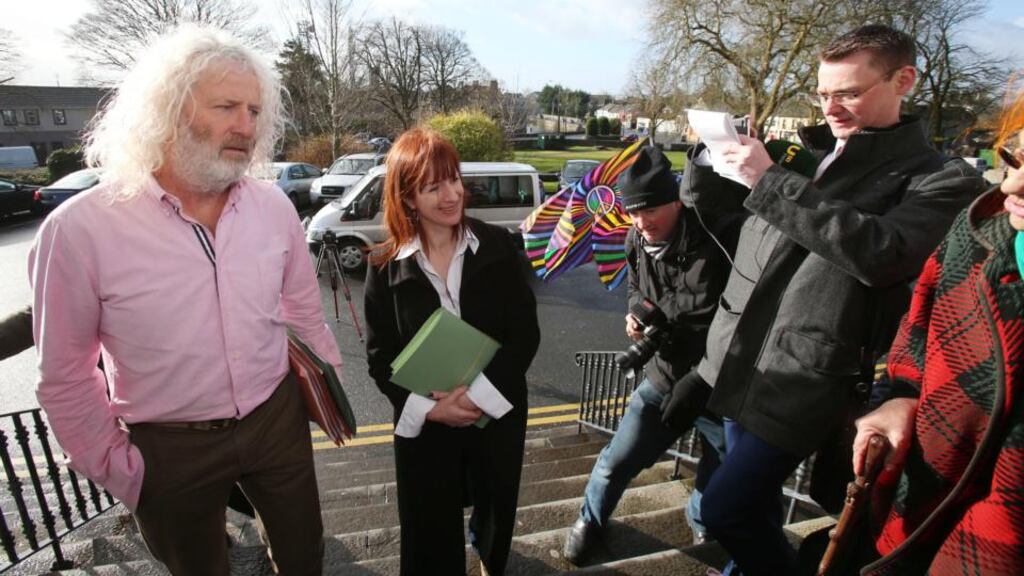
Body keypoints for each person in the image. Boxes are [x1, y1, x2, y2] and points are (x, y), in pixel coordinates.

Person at [28, 25, 340, 576]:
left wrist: (323, 390)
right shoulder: (79, 230)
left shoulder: (273, 209)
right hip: (168, 447)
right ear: (167, 110)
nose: (247, 125)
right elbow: (66, 376)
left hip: (276, 423)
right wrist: (122, 469)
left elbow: (302, 309)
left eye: (254, 110)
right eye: (226, 106)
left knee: (304, 555)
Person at [678, 25, 985, 576]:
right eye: (822, 93)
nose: (831, 106)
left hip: (807, 376)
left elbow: (883, 253)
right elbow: (716, 211)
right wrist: (709, 156)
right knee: (754, 509)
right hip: (737, 357)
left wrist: (770, 181)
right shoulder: (805, 150)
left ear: (904, 80)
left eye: (849, 92)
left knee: (726, 510)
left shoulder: (941, 179)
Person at [850, 91, 1024, 576]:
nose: (1016, 183)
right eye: (1015, 156)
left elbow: (876, 251)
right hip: (916, 513)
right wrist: (900, 398)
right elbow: (918, 331)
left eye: (848, 92)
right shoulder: (976, 232)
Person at [363, 128, 540, 576]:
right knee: (429, 534)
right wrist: (429, 409)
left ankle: (487, 559)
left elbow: (524, 334)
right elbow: (380, 357)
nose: (451, 195)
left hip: (496, 414)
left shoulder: (498, 246)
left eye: (454, 180)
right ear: (406, 198)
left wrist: (478, 396)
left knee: (497, 509)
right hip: (428, 422)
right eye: (432, 187)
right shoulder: (383, 267)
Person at [561, 146, 729, 565]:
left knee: (719, 466)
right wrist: (635, 314)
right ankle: (590, 522)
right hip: (662, 375)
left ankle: (701, 520)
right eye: (634, 213)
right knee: (615, 460)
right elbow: (637, 288)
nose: (641, 222)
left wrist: (659, 317)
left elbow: (708, 309)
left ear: (676, 201)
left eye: (651, 210)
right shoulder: (635, 237)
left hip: (714, 382)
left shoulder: (712, 242)